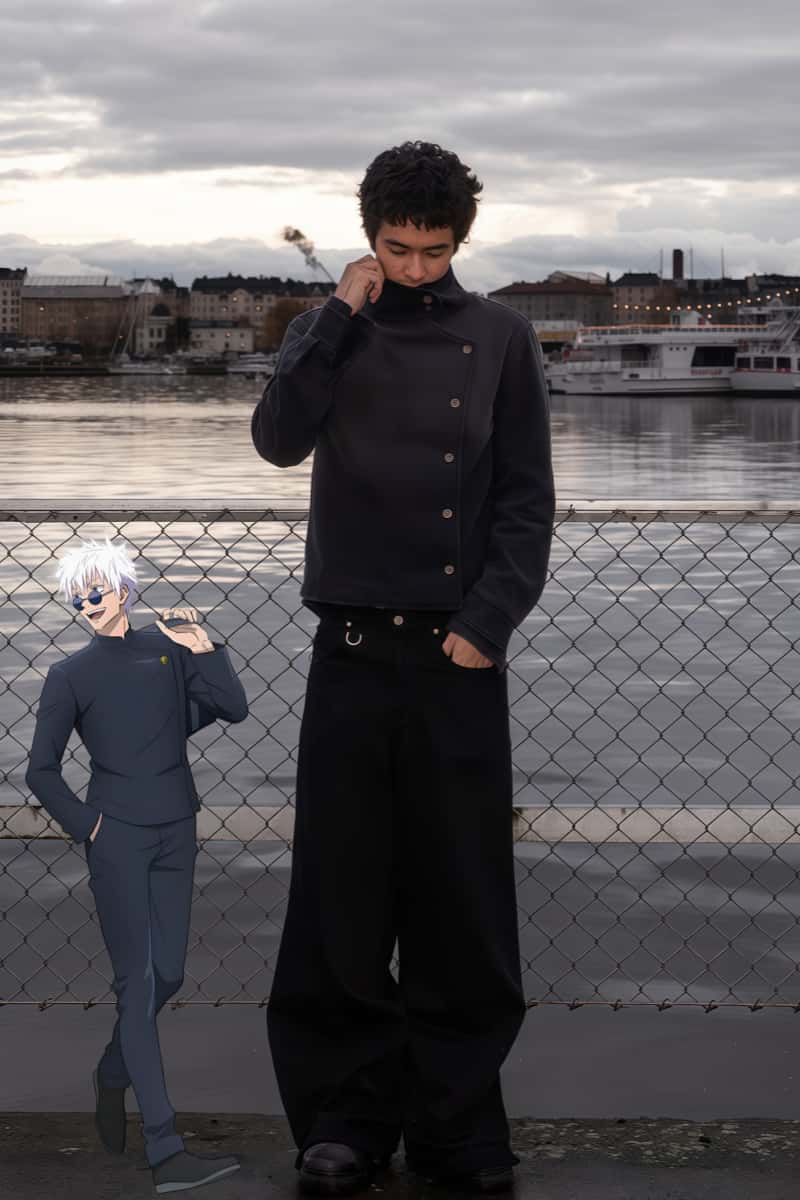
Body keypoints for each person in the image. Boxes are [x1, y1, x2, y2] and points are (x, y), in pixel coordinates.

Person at [252, 139, 555, 1196]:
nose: (417, 267)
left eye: (434, 250)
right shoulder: (327, 328)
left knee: (461, 899)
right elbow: (276, 441)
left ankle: (457, 1123)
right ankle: (344, 1115)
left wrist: (488, 620)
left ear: (459, 240)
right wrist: (337, 315)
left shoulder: (502, 335)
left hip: (457, 655)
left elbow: (525, 498)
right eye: (397, 249)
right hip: (349, 651)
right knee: (338, 896)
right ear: (368, 238)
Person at [25, 535, 248, 1195]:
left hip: (177, 828)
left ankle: (113, 1071)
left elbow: (230, 709)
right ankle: (165, 1148)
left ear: (124, 588)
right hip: (116, 837)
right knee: (139, 983)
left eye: (97, 589)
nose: (88, 603)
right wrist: (90, 826)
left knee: (167, 973)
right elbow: (41, 771)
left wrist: (203, 646)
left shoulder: (167, 650)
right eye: (78, 596)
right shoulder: (70, 675)